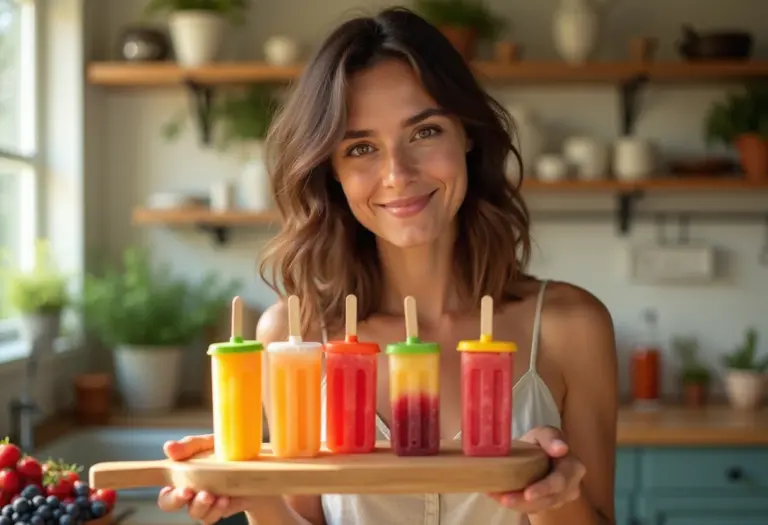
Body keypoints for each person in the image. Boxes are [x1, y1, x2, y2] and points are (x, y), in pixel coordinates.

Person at [157, 6, 618, 525]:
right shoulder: (293, 337)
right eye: (360, 148)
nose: (397, 174)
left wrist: (552, 494)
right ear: (331, 172)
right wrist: (249, 494)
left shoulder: (569, 327)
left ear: (467, 134)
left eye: (424, 133)